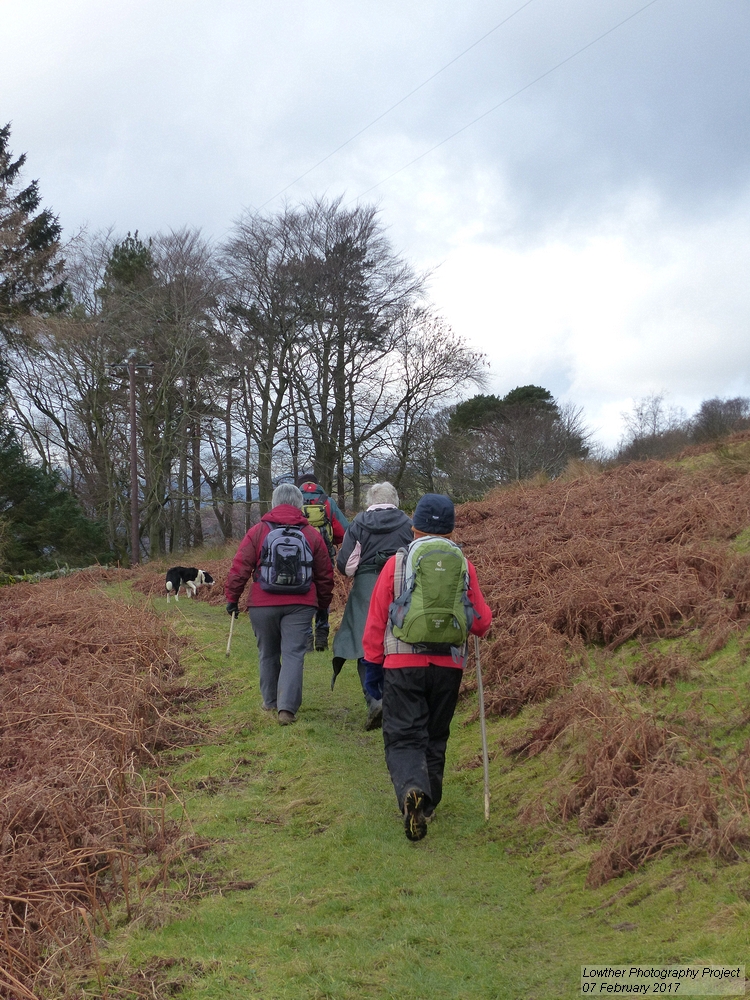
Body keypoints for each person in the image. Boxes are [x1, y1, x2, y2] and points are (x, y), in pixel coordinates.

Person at [362, 493, 492, 841]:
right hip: (448, 665)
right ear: (451, 528)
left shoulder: (397, 563)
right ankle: (428, 805)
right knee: (435, 735)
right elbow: (482, 623)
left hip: (402, 663)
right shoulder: (463, 564)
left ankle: (412, 791)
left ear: (414, 525)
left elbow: (376, 619)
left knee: (403, 735)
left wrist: (373, 667)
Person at [225, 483, 334, 725]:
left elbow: (239, 567)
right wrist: (322, 604)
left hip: (263, 603)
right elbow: (325, 575)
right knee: (294, 653)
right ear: (299, 504)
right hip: (301, 603)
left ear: (273, 503)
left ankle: (270, 702)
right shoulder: (311, 534)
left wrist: (232, 598)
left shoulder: (258, 531)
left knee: (267, 652)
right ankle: (287, 710)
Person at [331, 482, 413, 730]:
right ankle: (399, 705)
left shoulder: (358, 524)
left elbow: (346, 567)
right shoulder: (407, 523)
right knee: (400, 643)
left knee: (364, 644)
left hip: (367, 587)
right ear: (395, 500)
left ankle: (375, 700)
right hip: (401, 587)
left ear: (370, 501)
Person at [295, 473, 349, 652]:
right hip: (324, 556)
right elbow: (343, 531)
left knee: (302, 594)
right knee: (322, 592)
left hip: (298, 557)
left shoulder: (294, 501)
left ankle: (306, 635)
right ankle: (322, 633)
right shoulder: (327, 502)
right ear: (316, 484)